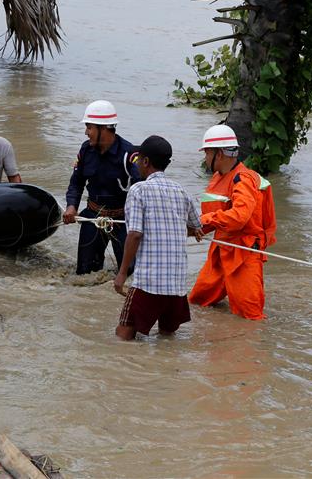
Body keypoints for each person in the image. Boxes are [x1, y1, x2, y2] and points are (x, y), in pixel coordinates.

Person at [114, 136, 203, 339]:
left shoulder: (138, 190)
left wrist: (121, 274)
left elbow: (135, 234)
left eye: (138, 160)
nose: (136, 164)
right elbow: (196, 227)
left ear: (145, 162)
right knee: (167, 338)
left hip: (148, 282)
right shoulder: (182, 191)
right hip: (177, 285)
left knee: (123, 336)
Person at [188, 124, 277, 320]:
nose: (205, 158)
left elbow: (239, 217)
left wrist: (204, 220)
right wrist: (190, 227)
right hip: (222, 250)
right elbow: (215, 215)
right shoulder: (219, 177)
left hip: (243, 254)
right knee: (197, 301)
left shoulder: (243, 179)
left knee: (250, 316)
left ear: (219, 154)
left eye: (207, 153)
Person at [63, 100, 142, 275]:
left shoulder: (129, 155)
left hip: (122, 220)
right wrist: (72, 206)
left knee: (129, 273)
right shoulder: (85, 150)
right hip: (93, 216)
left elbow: (143, 190)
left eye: (89, 127)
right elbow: (76, 182)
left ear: (103, 129)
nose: (86, 132)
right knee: (85, 274)